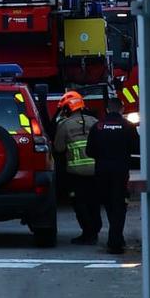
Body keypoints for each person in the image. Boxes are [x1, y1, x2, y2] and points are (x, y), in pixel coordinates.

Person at [87, 99, 137, 254]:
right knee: (119, 205)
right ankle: (116, 239)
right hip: (121, 171)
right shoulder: (128, 126)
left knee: (109, 204)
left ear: (107, 110)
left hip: (102, 171)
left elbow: (89, 151)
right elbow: (136, 147)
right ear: (121, 109)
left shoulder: (98, 126)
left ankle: (114, 237)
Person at [52, 91, 100, 244]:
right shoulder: (94, 121)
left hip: (76, 172)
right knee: (94, 202)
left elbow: (58, 148)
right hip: (96, 170)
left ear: (67, 108)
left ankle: (88, 233)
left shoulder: (64, 125)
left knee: (79, 203)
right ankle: (95, 229)